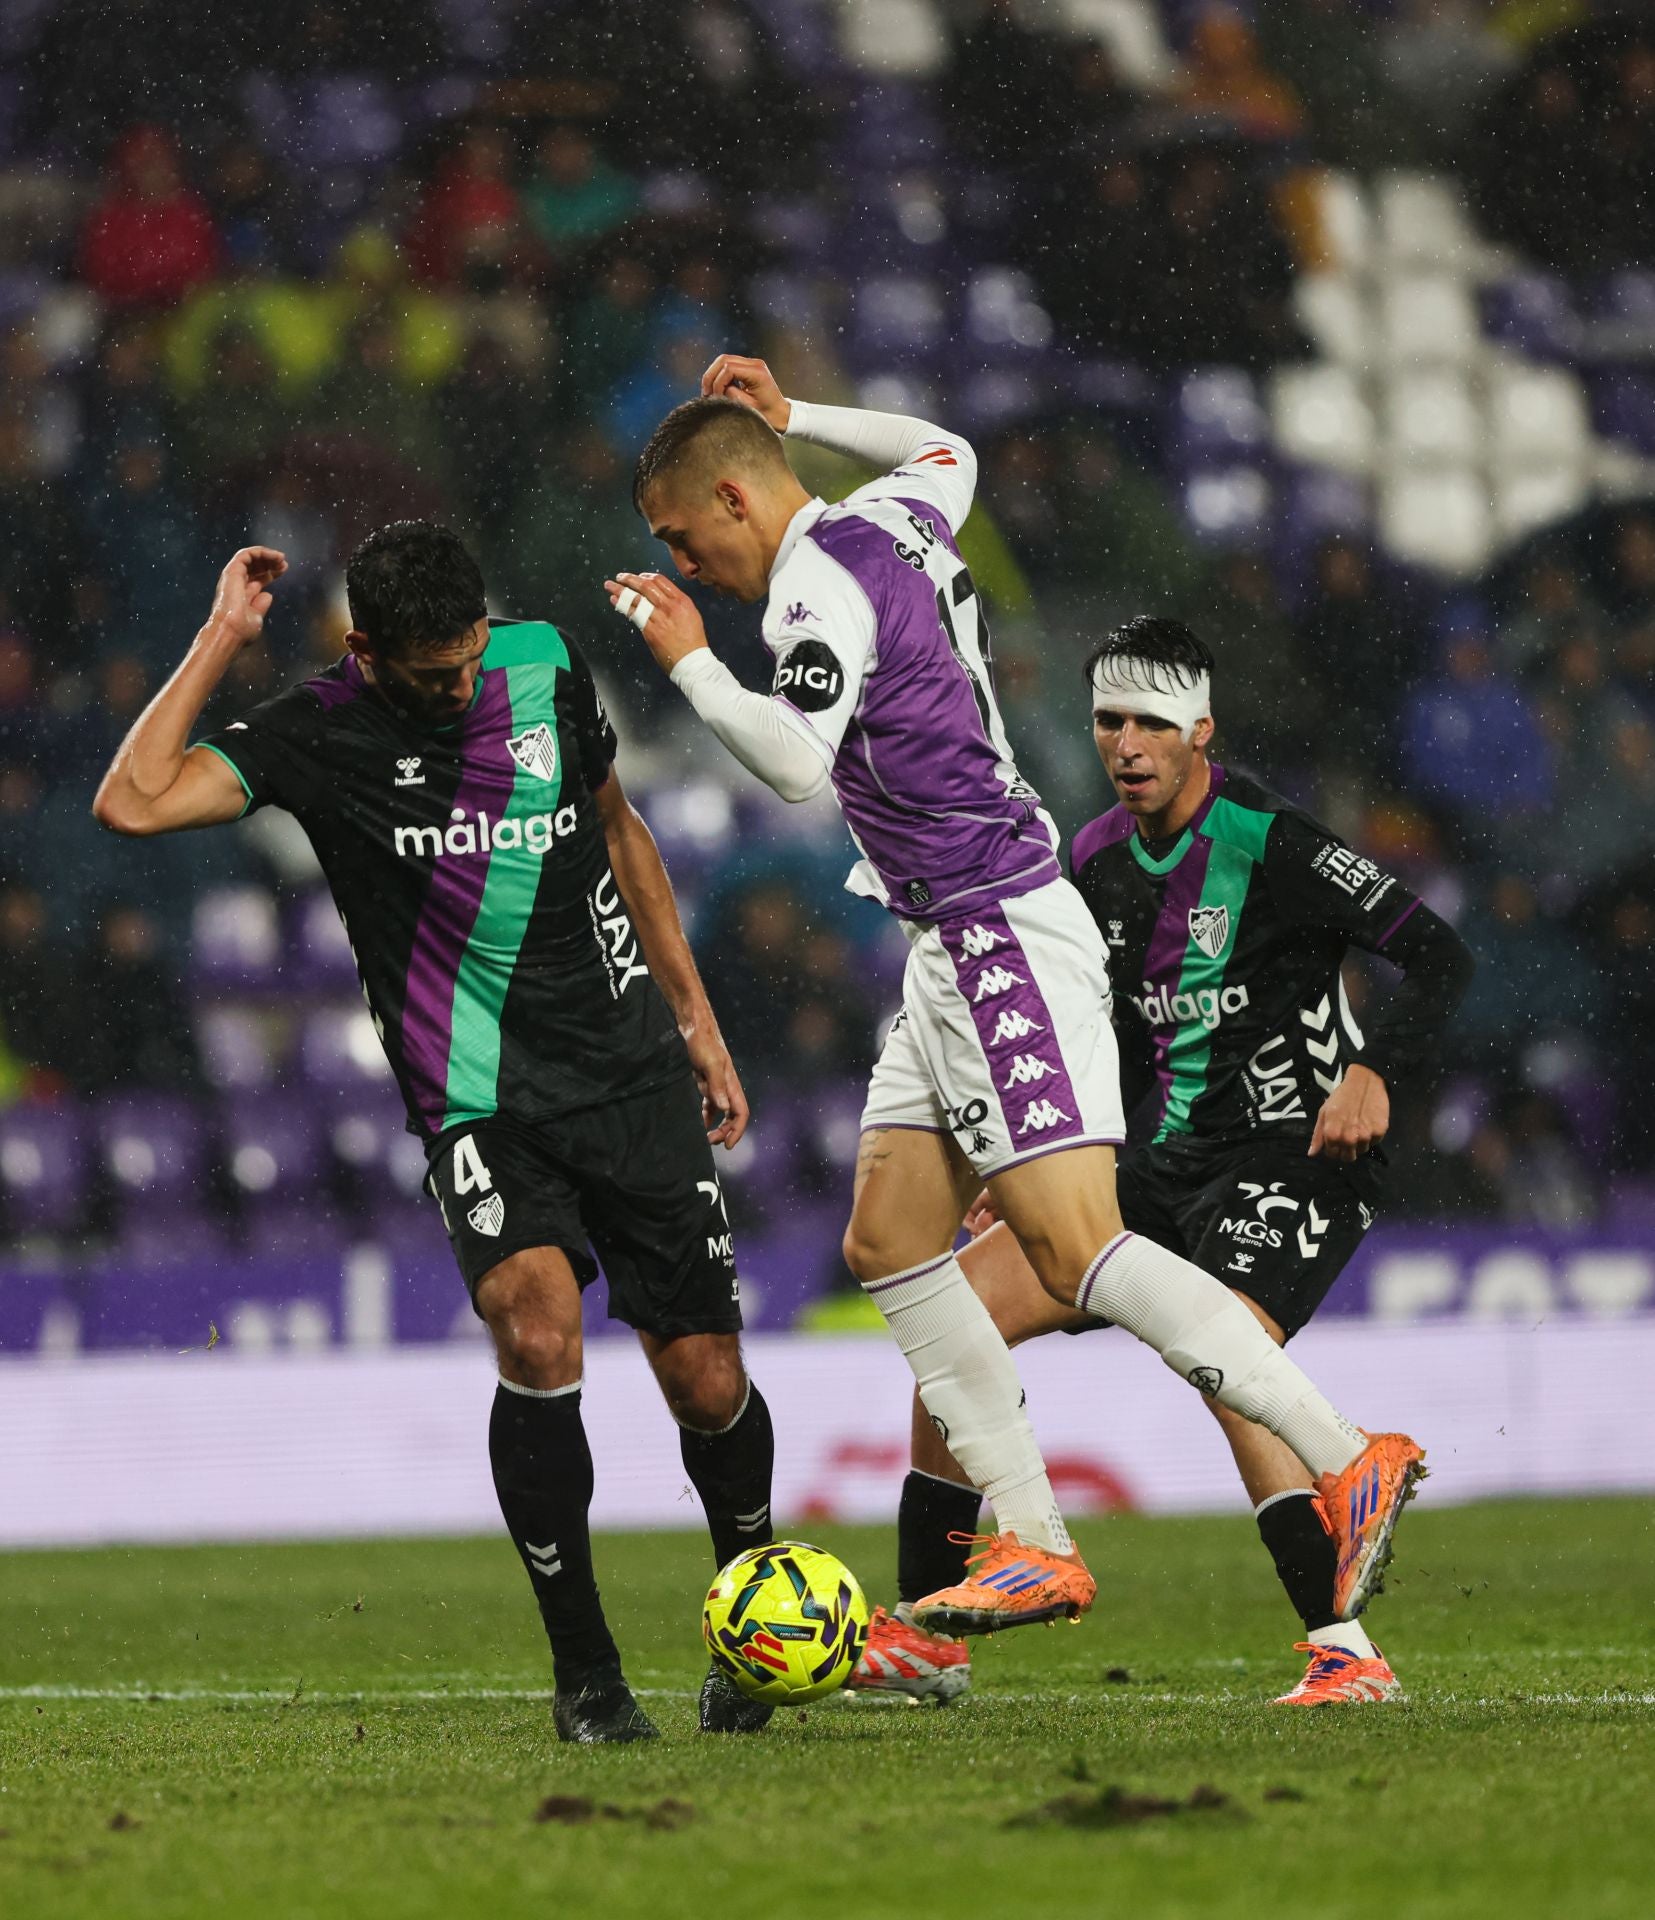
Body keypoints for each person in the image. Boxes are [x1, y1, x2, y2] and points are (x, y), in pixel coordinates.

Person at [608, 354, 1427, 1644]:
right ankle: (1030, 1541)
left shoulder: (807, 591)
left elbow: (788, 762)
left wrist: (685, 660)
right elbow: (946, 443)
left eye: (678, 537)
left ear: (727, 496)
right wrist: (798, 418)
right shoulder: (890, 514)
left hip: (994, 925)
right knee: (887, 1242)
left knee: (1076, 1248)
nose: (682, 562)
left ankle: (1342, 1455)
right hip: (949, 941)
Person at [92, 523, 777, 1744]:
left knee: (705, 1378)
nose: (459, 687)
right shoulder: (318, 728)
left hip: (625, 1074)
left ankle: (753, 1623)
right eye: (429, 674)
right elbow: (131, 801)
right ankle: (588, 1677)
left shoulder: (547, 664)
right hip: (475, 1097)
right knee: (534, 1325)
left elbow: (620, 831)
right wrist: (220, 638)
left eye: (467, 661)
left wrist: (697, 1018)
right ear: (367, 651)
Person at [852, 618, 1474, 1707]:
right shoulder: (1088, 863)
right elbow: (1099, 1040)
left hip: (1294, 1154)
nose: (1126, 744)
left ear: (1200, 731)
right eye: (1107, 722)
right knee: (955, 1314)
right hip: (1163, 1156)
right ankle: (924, 1637)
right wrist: (1035, 1180)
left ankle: (1344, 1653)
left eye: (1149, 723)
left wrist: (1375, 1071)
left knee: (1225, 1353)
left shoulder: (1270, 840)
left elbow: (1437, 952)